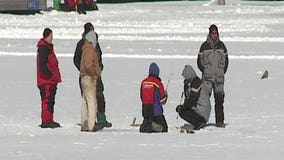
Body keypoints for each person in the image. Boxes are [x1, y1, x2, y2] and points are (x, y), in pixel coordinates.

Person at [73, 22, 112, 128]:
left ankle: (100, 119)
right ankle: (90, 122)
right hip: (89, 75)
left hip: (94, 74)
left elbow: (99, 58)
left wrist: (99, 67)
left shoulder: (95, 44)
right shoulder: (83, 44)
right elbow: (76, 60)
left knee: (98, 97)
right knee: (90, 100)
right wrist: (85, 70)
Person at [197, 24, 229, 128]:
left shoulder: (222, 46)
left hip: (219, 79)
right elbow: (199, 61)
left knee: (219, 101)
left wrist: (221, 71)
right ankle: (201, 121)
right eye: (212, 33)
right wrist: (205, 71)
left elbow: (226, 61)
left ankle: (219, 121)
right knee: (204, 101)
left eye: (216, 33)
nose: (214, 35)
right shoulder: (204, 46)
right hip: (207, 79)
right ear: (209, 34)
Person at [36, 28, 62, 128]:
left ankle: (50, 119)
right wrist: (49, 75)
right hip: (46, 80)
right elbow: (42, 65)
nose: (52, 38)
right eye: (51, 36)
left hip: (51, 81)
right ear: (46, 36)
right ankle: (46, 121)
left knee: (51, 101)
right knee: (46, 100)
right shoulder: (43, 48)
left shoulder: (48, 48)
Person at [80, 30, 103, 132]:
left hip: (84, 78)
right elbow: (89, 64)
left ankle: (84, 124)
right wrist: (94, 73)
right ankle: (91, 125)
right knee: (92, 102)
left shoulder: (85, 48)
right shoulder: (90, 50)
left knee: (85, 101)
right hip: (89, 78)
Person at [176, 65, 211, 130]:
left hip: (203, 111)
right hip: (198, 110)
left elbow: (192, 100)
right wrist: (182, 106)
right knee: (182, 110)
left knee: (182, 112)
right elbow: (188, 99)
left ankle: (199, 122)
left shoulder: (196, 83)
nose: (184, 78)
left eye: (185, 76)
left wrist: (183, 107)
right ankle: (198, 122)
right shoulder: (191, 83)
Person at [139, 62, 168, 133]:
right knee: (164, 128)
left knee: (148, 119)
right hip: (156, 111)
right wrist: (166, 95)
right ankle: (151, 125)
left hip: (145, 110)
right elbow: (162, 100)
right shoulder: (158, 83)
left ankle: (147, 123)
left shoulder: (143, 82)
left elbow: (141, 97)